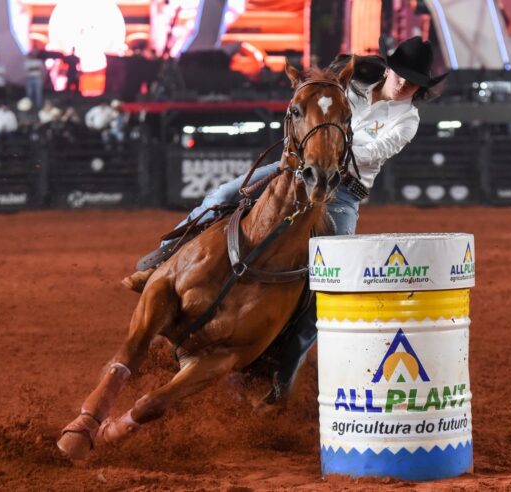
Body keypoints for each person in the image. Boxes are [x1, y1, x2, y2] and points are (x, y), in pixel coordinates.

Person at [124, 36, 448, 402]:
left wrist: (324, 136)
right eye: (400, 73)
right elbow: (316, 92)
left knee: (328, 285)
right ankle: (163, 258)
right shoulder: (351, 85)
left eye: (413, 79)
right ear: (388, 69)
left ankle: (282, 372)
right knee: (220, 196)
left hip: (342, 194)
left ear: (421, 86)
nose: (404, 82)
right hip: (295, 171)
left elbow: (372, 154)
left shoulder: (407, 120)